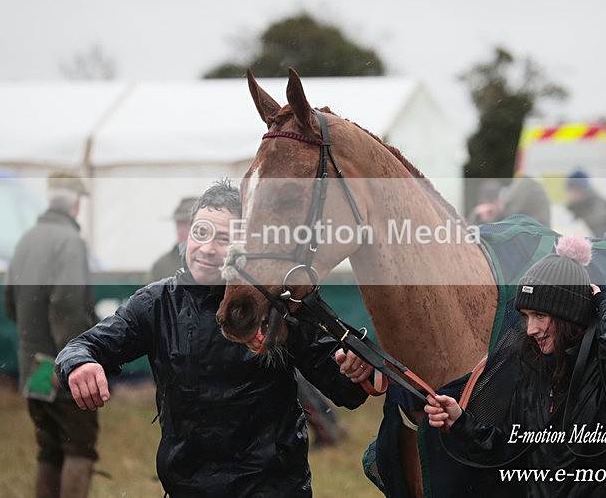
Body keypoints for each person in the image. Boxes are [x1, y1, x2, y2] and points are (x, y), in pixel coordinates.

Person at [55, 178, 372, 497]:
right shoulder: (157, 303)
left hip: (272, 489)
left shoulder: (278, 301)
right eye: (201, 233)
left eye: (223, 238)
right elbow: (84, 346)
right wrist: (80, 363)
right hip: (188, 488)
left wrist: (354, 368)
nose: (207, 248)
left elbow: (345, 386)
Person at [425, 236, 606, 497]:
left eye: (540, 315)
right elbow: (511, 450)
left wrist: (605, 301)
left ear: (569, 315)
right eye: (527, 316)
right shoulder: (532, 370)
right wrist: (460, 422)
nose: (531, 329)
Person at [3, 171, 98, 498]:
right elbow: (68, 304)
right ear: (74, 205)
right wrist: (69, 362)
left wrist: (38, 354)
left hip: (35, 367)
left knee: (50, 448)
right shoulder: (70, 242)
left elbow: (9, 303)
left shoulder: (26, 239)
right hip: (59, 367)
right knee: (79, 447)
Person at [146, 196, 195, 282]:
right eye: (178, 224)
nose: (180, 230)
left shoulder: (214, 262)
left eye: (185, 224)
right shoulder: (162, 265)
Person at [469, 177, 551, 227]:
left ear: (494, 200)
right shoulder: (518, 192)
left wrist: (483, 218)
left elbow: (493, 231)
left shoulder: (511, 202)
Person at [565, 168, 606, 237]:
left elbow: (600, 243)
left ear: (580, 190)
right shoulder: (582, 210)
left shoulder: (597, 215)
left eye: (571, 190)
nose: (569, 194)